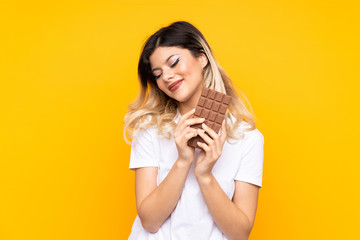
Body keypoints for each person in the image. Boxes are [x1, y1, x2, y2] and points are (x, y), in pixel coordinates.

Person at [123, 21, 264, 240]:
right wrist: (182, 161)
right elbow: (149, 222)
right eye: (158, 74)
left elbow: (240, 234)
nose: (167, 77)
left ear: (202, 57)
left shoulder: (247, 138)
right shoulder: (150, 129)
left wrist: (204, 174)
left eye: (174, 62)